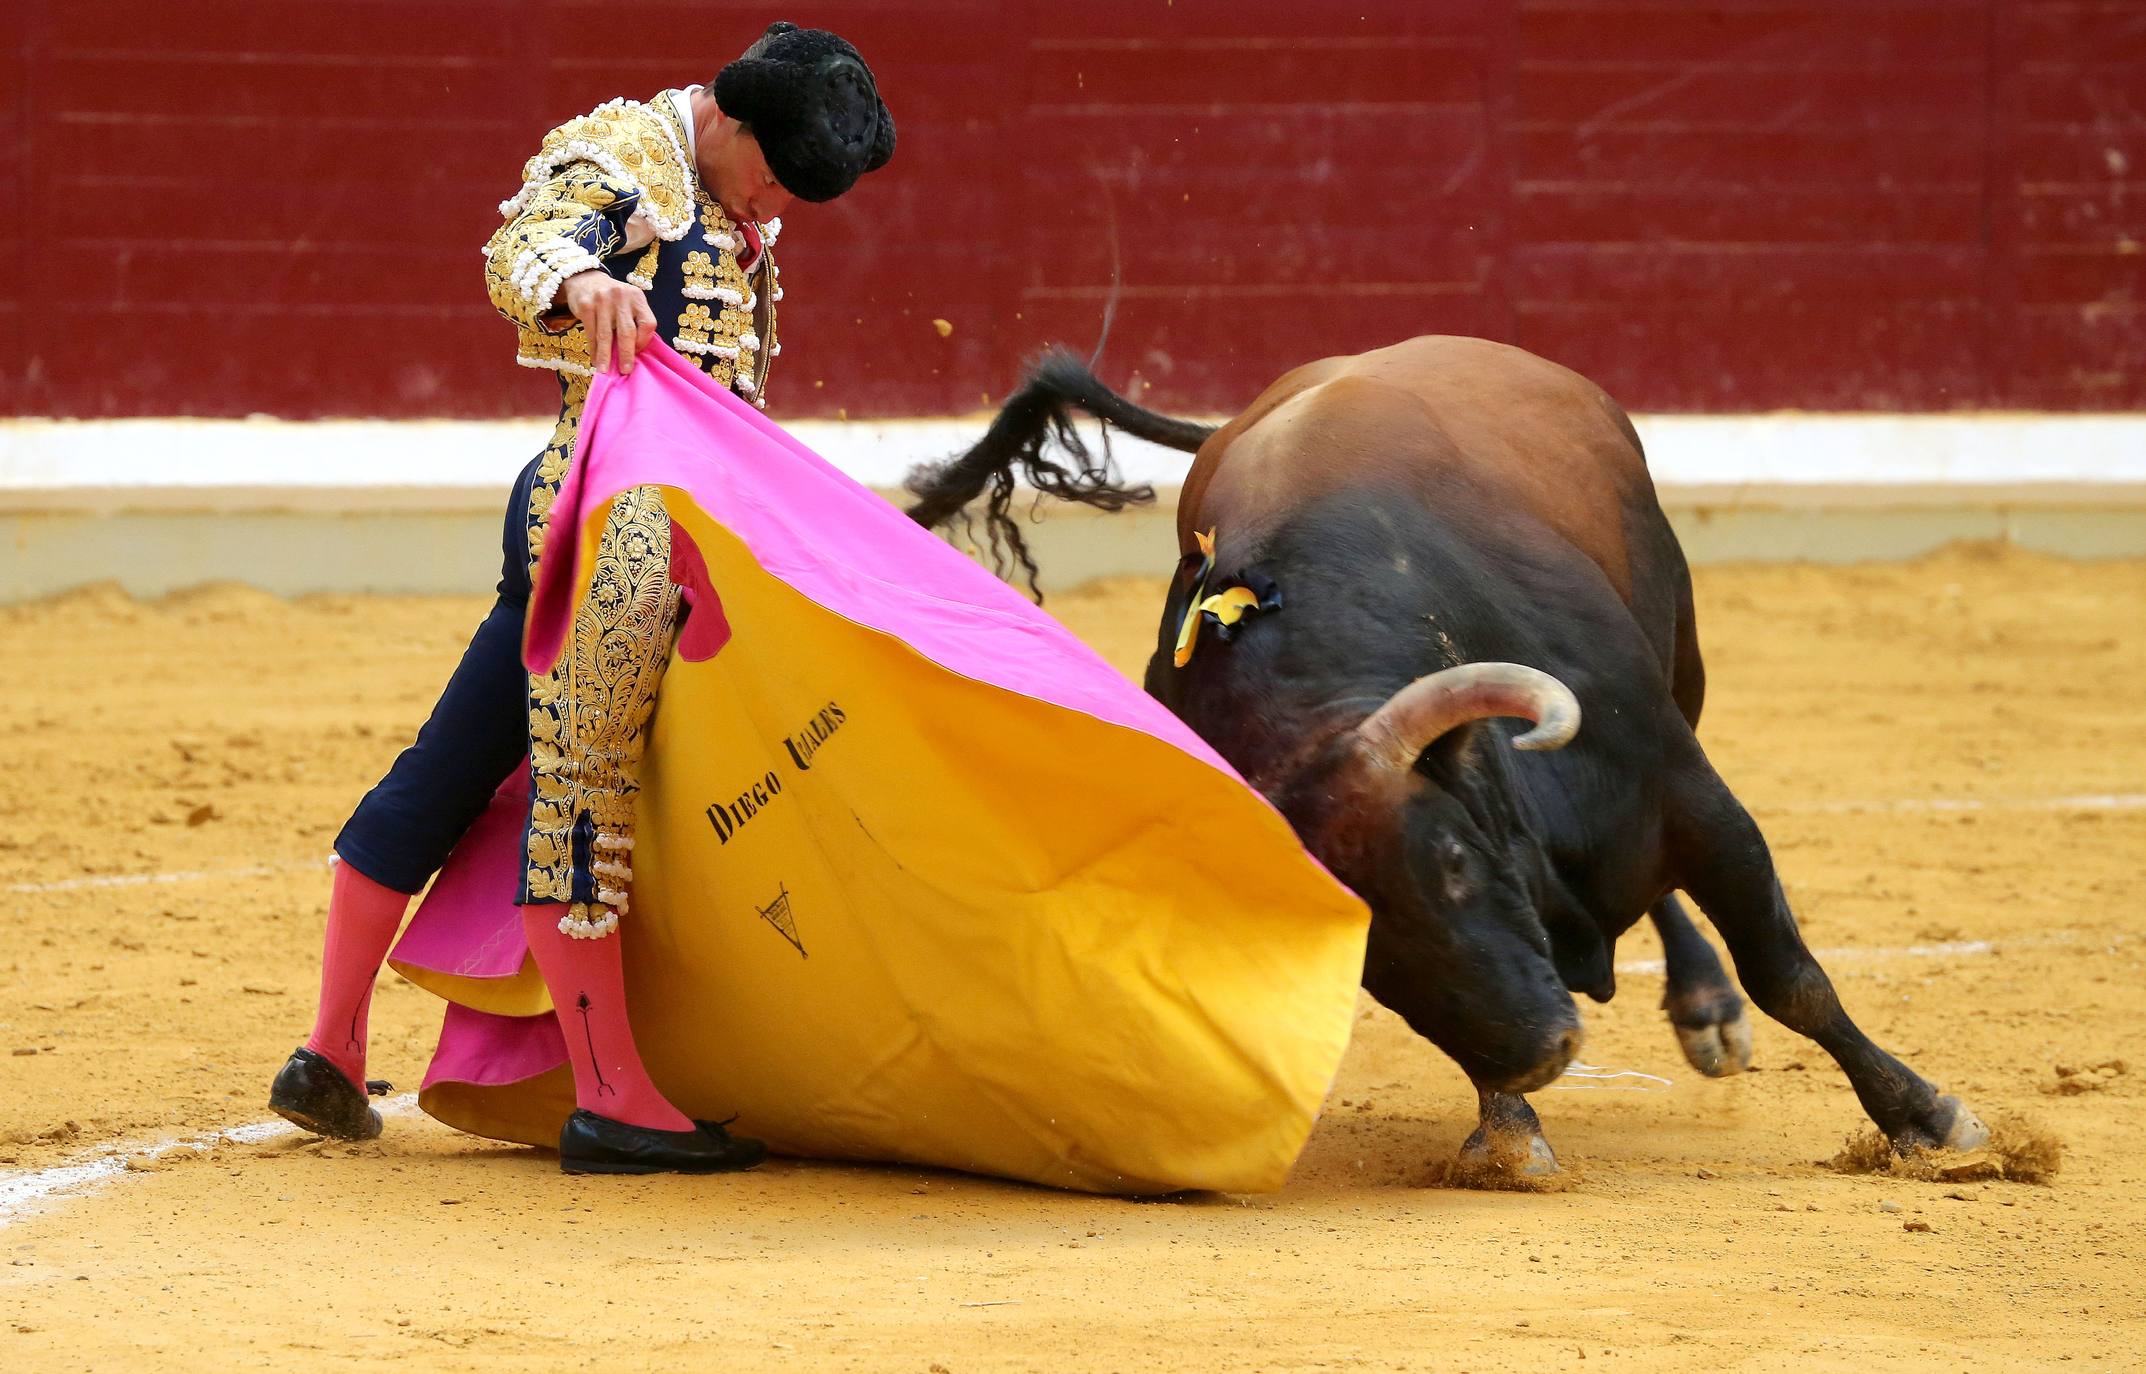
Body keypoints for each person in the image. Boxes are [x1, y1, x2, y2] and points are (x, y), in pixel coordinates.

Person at [266, 21, 895, 1175]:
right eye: (770, 171)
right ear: (730, 115)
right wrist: (584, 275)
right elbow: (526, 245)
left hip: (643, 524)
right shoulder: (626, 158)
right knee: (587, 800)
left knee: (451, 767)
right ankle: (611, 1097)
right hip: (616, 527)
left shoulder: (727, 191)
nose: (776, 201)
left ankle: (331, 1051)